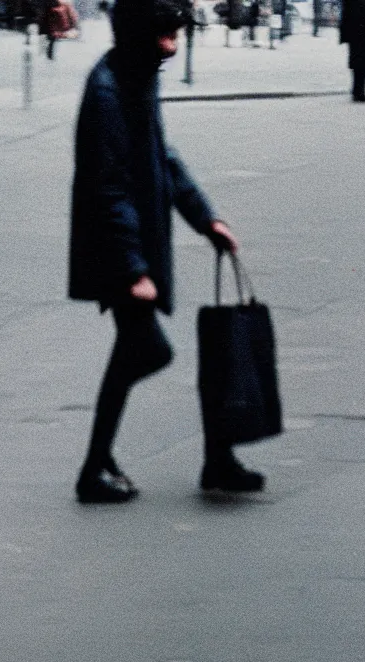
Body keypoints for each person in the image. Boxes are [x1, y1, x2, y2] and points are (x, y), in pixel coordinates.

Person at [68, 0, 262, 502]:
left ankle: (210, 459)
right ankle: (96, 469)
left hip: (133, 242)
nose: (172, 46)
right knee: (148, 348)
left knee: (143, 348)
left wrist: (206, 218)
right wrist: (133, 269)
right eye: (164, 36)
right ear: (137, 35)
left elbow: (161, 155)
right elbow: (108, 189)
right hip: (118, 249)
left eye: (177, 35)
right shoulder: (108, 93)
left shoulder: (135, 77)